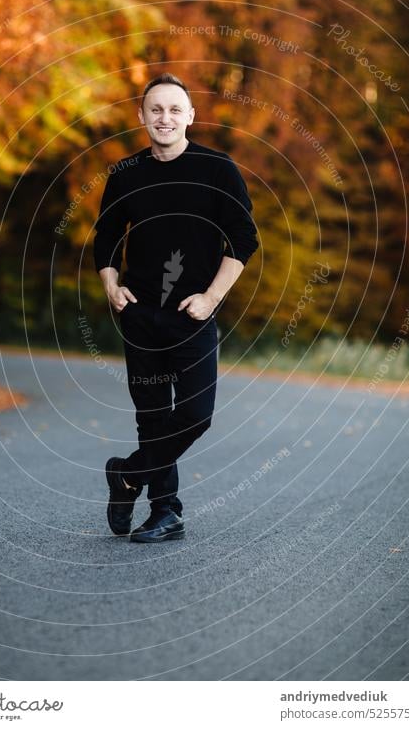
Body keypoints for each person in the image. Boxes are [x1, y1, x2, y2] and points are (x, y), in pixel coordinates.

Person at [93, 73, 258, 542]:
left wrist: (211, 298)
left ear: (190, 116)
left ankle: (127, 474)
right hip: (141, 314)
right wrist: (111, 285)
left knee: (195, 414)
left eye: (174, 110)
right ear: (142, 117)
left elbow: (244, 239)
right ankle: (166, 512)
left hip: (193, 315)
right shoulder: (126, 173)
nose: (164, 118)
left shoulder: (218, 169)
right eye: (155, 110)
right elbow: (105, 235)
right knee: (151, 417)